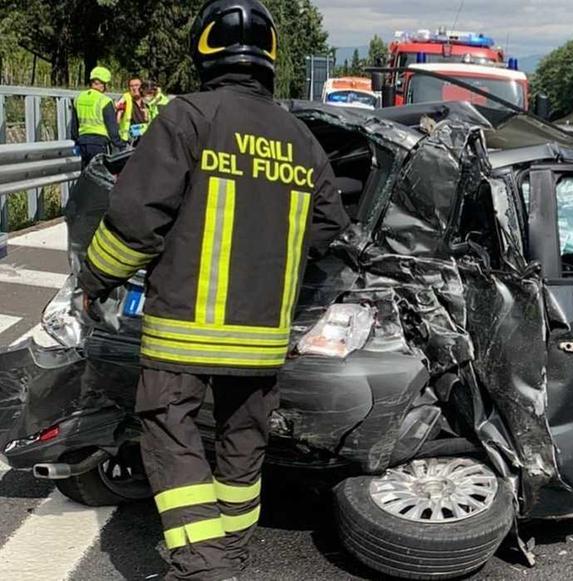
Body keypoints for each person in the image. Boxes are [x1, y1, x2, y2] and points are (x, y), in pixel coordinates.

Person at [77, 1, 350, 578]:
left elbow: (135, 219)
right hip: (262, 338)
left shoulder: (187, 117)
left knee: (171, 432)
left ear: (204, 52)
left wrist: (95, 280)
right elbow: (329, 227)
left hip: (185, 328)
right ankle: (229, 551)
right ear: (271, 59)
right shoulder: (301, 139)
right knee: (242, 440)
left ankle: (206, 567)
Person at [71, 66, 126, 168]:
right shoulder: (104, 100)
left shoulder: (78, 98)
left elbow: (74, 125)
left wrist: (76, 141)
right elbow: (112, 128)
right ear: (103, 84)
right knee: (99, 175)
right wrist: (121, 145)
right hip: (99, 144)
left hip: (83, 142)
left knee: (86, 174)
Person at [117, 76, 150, 143]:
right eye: (131, 86)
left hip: (145, 140)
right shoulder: (125, 99)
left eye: (137, 85)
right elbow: (117, 120)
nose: (134, 88)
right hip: (128, 141)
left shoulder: (148, 101)